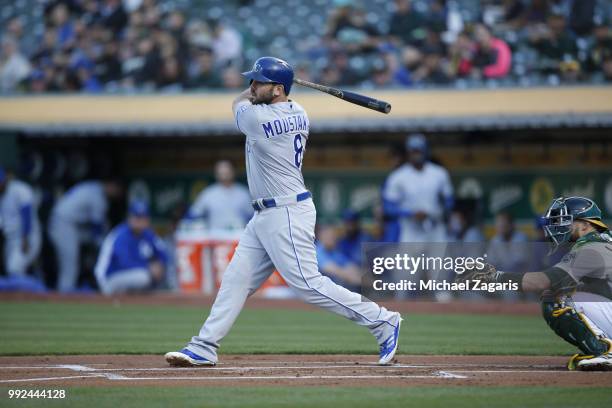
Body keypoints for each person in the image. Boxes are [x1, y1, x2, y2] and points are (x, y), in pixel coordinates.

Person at [165, 56, 401, 367]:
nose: (252, 86)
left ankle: (383, 321)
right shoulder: (299, 111)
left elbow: (237, 102)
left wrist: (257, 91)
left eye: (259, 82)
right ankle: (204, 346)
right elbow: (255, 96)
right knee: (237, 280)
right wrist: (270, 85)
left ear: (277, 89)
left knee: (308, 284)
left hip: (286, 212)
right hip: (266, 215)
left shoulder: (258, 120)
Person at [460, 197, 612, 371]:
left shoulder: (591, 248)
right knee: (571, 289)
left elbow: (542, 281)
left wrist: (493, 277)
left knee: (556, 297)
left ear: (585, 225)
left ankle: (604, 351)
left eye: (566, 221)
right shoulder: (602, 241)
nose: (559, 226)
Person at [48, 179, 123, 292]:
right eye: (116, 190)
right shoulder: (98, 196)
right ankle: (64, 295)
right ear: (111, 184)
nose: (116, 194)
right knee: (70, 265)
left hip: (68, 224)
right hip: (64, 224)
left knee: (72, 263)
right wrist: (103, 248)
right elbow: (96, 227)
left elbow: (98, 228)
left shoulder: (92, 186)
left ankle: (66, 290)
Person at [382, 134, 453, 244]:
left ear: (425, 151)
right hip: (410, 231)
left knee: (439, 261)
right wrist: (410, 213)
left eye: (419, 150)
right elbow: (388, 207)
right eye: (413, 151)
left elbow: (449, 200)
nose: (416, 154)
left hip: (435, 229)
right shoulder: (398, 176)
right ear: (408, 152)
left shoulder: (439, 173)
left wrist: (439, 212)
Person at [95, 201, 167, 295]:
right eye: (136, 217)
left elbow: (164, 254)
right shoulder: (121, 236)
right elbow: (124, 263)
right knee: (143, 277)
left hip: (130, 278)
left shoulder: (148, 235)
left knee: (160, 272)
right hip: (108, 279)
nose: (139, 221)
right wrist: (149, 267)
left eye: (142, 217)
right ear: (129, 218)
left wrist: (159, 265)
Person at [186, 160, 253, 231]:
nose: (224, 174)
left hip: (238, 236)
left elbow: (253, 216)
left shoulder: (243, 193)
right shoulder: (208, 193)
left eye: (227, 171)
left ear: (233, 172)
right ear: (216, 174)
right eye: (221, 172)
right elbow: (193, 214)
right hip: (214, 237)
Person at [0, 168, 41, 276]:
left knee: (14, 268)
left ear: (5, 179)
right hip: (11, 240)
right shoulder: (2, 196)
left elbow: (27, 214)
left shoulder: (19, 189)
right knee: (12, 271)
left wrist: (25, 238)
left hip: (27, 237)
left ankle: (36, 288)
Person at [316, 225, 362, 292]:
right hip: (314, 294)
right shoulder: (317, 251)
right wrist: (358, 280)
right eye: (330, 236)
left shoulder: (334, 251)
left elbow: (350, 266)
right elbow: (336, 271)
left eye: (334, 236)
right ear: (321, 237)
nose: (334, 238)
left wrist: (362, 277)